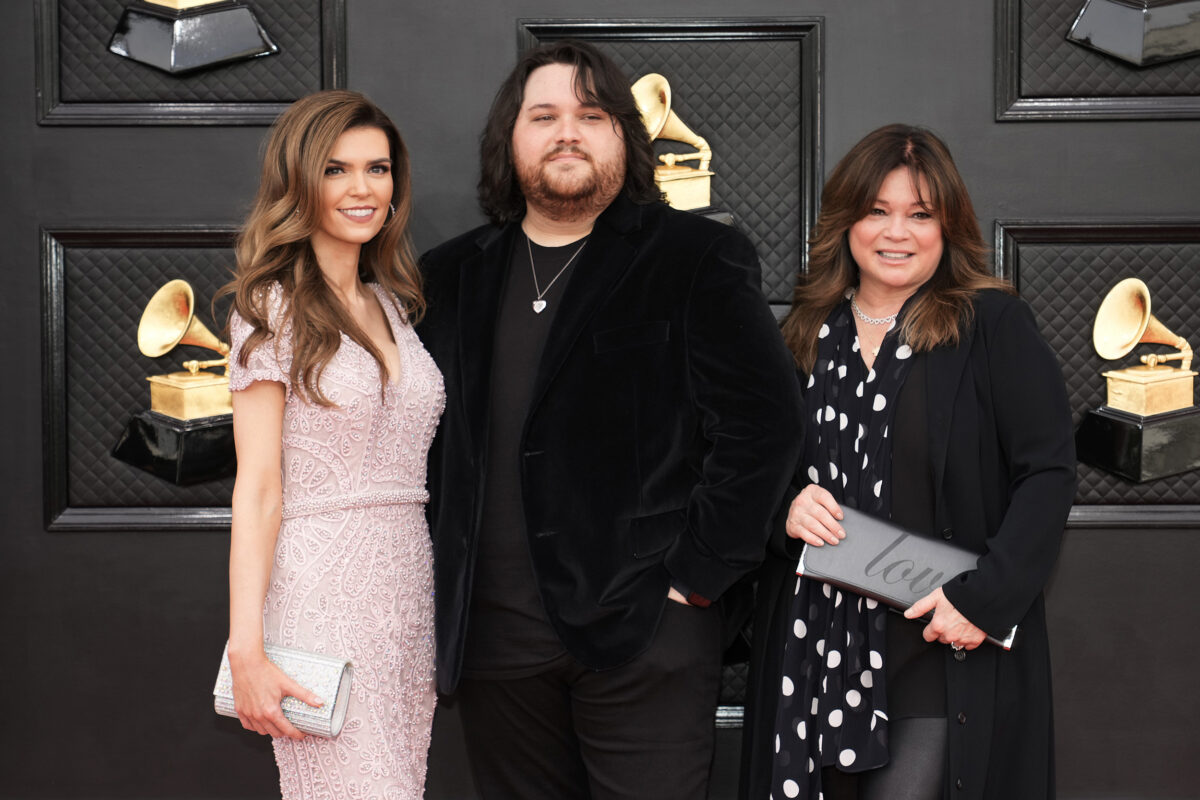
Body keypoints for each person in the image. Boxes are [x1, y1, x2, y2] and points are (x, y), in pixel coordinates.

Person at [417, 40, 802, 799]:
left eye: (591, 115)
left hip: (644, 634)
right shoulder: (447, 275)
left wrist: (698, 576)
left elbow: (766, 421)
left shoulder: (695, 255)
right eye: (545, 115)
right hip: (492, 645)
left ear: (624, 136)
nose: (569, 131)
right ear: (510, 138)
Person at [740, 124, 1076, 800]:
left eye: (920, 214)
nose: (898, 232)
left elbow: (1047, 473)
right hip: (815, 647)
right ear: (845, 222)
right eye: (878, 211)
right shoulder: (803, 335)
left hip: (941, 641)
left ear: (948, 227)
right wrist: (783, 512)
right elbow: (751, 474)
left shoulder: (991, 326)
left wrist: (983, 602)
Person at [221, 90, 444, 799]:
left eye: (377, 169)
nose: (361, 189)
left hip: (407, 594)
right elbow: (257, 488)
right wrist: (246, 647)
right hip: (320, 595)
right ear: (299, 182)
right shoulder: (268, 309)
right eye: (336, 170)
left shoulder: (392, 304)